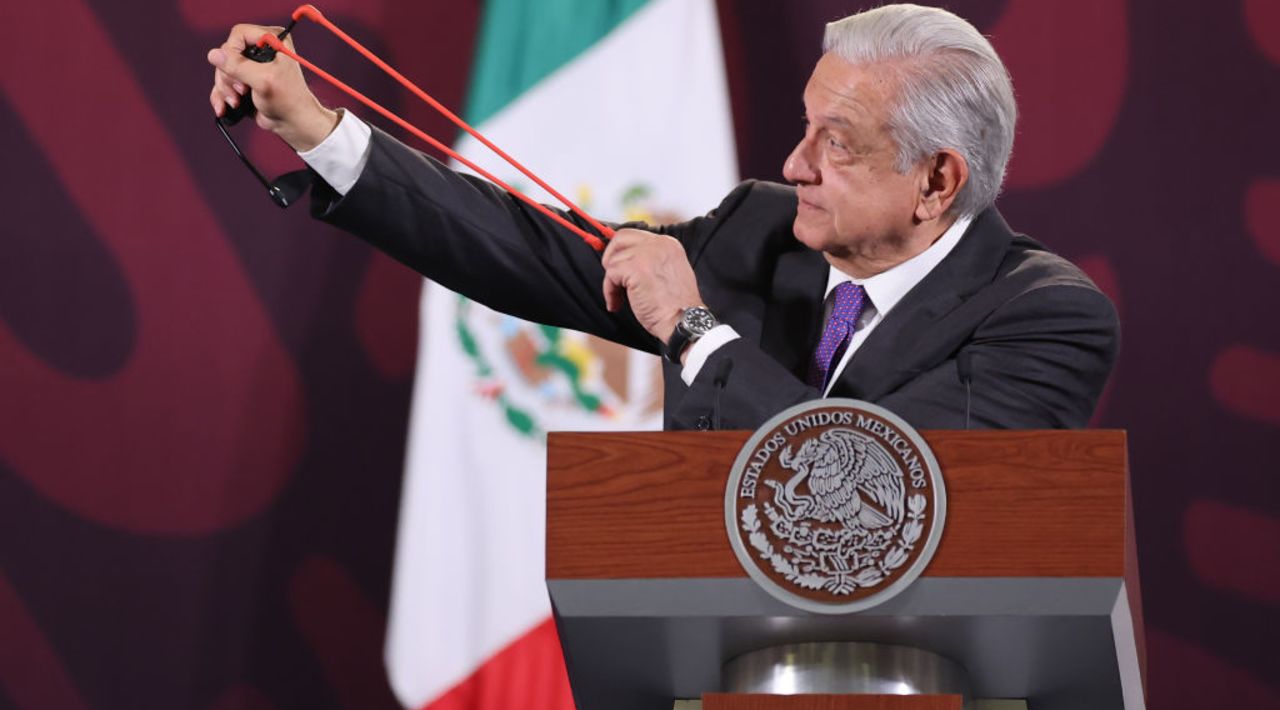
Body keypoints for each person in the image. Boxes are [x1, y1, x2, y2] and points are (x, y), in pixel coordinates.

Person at [206, 4, 1118, 431]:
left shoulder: (1042, 319)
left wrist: (693, 330)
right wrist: (315, 128)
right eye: (806, 127)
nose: (794, 165)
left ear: (937, 180)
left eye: (837, 144)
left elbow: (873, 488)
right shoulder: (759, 230)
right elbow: (525, 250)